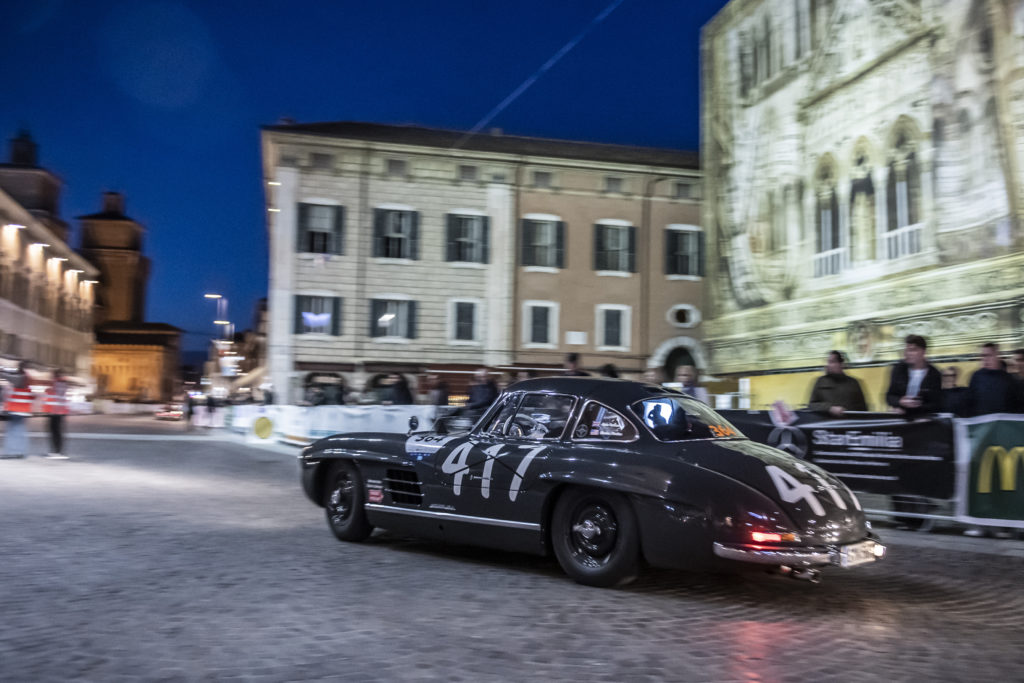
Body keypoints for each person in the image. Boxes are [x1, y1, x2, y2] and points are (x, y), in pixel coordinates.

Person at [885, 335, 942, 417]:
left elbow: (936, 404)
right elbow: (889, 396)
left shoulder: (934, 374)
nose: (908, 353)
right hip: (900, 416)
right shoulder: (898, 369)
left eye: (912, 350)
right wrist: (900, 401)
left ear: (923, 352)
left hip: (923, 418)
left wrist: (915, 406)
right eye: (906, 350)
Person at [962, 343, 1019, 416]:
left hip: (1002, 423)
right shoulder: (976, 376)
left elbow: (1014, 404)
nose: (985, 359)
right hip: (982, 423)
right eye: (983, 356)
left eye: (989, 355)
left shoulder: (1008, 378)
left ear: (997, 356)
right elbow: (969, 402)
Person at [807, 351, 867, 417]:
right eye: (828, 362)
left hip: (848, 424)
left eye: (832, 362)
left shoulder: (853, 383)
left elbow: (863, 409)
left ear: (841, 364)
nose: (828, 365)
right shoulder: (820, 382)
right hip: (826, 424)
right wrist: (829, 408)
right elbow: (812, 405)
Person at [2, 361, 33, 459]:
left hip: (17, 409)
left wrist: (2, 371)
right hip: (22, 410)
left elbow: (9, 377)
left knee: (13, 431)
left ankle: (12, 452)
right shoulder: (26, 377)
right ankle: (20, 452)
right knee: (19, 431)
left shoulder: (21, 378)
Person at [43, 369, 70, 459]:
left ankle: (56, 451)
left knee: (54, 432)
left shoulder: (55, 383)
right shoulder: (63, 383)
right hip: (61, 411)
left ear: (55, 375)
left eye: (52, 375)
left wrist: (48, 389)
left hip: (54, 412)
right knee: (58, 432)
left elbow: (51, 394)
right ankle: (58, 451)